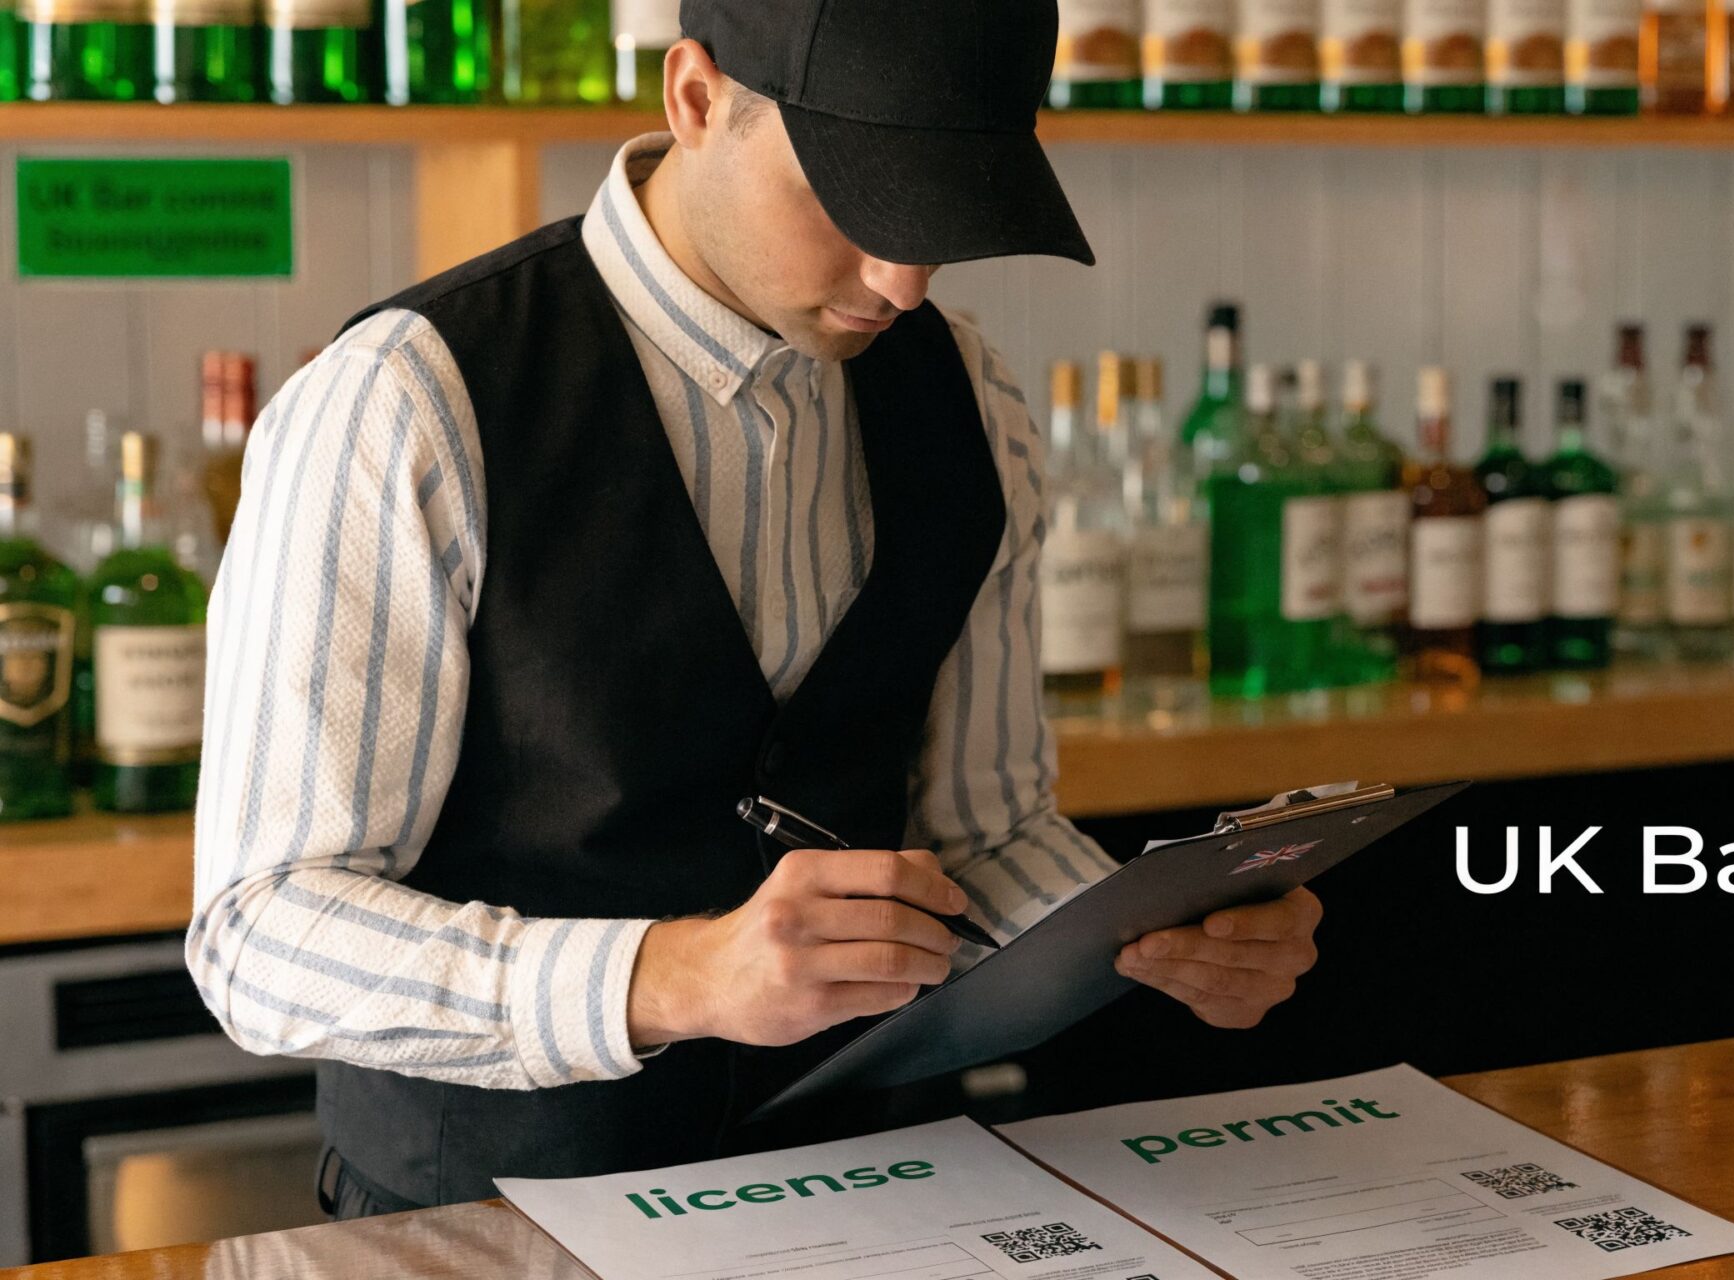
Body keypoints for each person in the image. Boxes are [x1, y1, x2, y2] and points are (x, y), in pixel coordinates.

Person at [184, 0, 1321, 1218]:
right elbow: (263, 934)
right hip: (492, 1221)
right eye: (857, 197)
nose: (901, 277)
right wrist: (668, 975)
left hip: (873, 1200)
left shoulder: (969, 397)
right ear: (694, 97)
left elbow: (984, 834)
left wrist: (1139, 939)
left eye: (942, 214)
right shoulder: (403, 402)